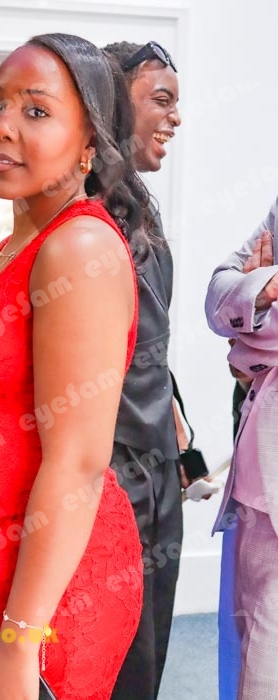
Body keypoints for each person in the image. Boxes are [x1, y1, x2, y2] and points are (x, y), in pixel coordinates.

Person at [0, 32, 150, 700]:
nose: (2, 127)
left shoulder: (78, 248)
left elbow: (78, 464)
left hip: (43, 591)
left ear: (90, 143)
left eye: (35, 111)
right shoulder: (16, 245)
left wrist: (19, 642)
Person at [102, 41, 183, 700]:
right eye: (161, 99)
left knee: (144, 654)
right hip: (111, 478)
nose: (174, 117)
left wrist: (174, 416)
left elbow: (146, 334)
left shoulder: (137, 204)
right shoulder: (88, 209)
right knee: (114, 660)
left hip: (153, 468)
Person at [206, 215, 278, 699]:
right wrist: (260, 292)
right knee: (251, 659)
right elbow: (220, 297)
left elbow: (243, 342)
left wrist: (251, 333)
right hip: (260, 486)